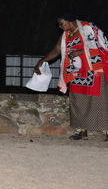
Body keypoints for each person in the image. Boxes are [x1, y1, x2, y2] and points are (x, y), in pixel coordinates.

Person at [34, 10, 108, 141]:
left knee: (100, 101)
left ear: (69, 20)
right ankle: (83, 132)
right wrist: (42, 60)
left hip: (93, 70)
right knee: (78, 102)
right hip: (75, 73)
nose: (59, 26)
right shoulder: (66, 35)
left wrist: (81, 51)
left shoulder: (88, 28)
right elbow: (57, 50)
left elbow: (103, 45)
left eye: (61, 23)